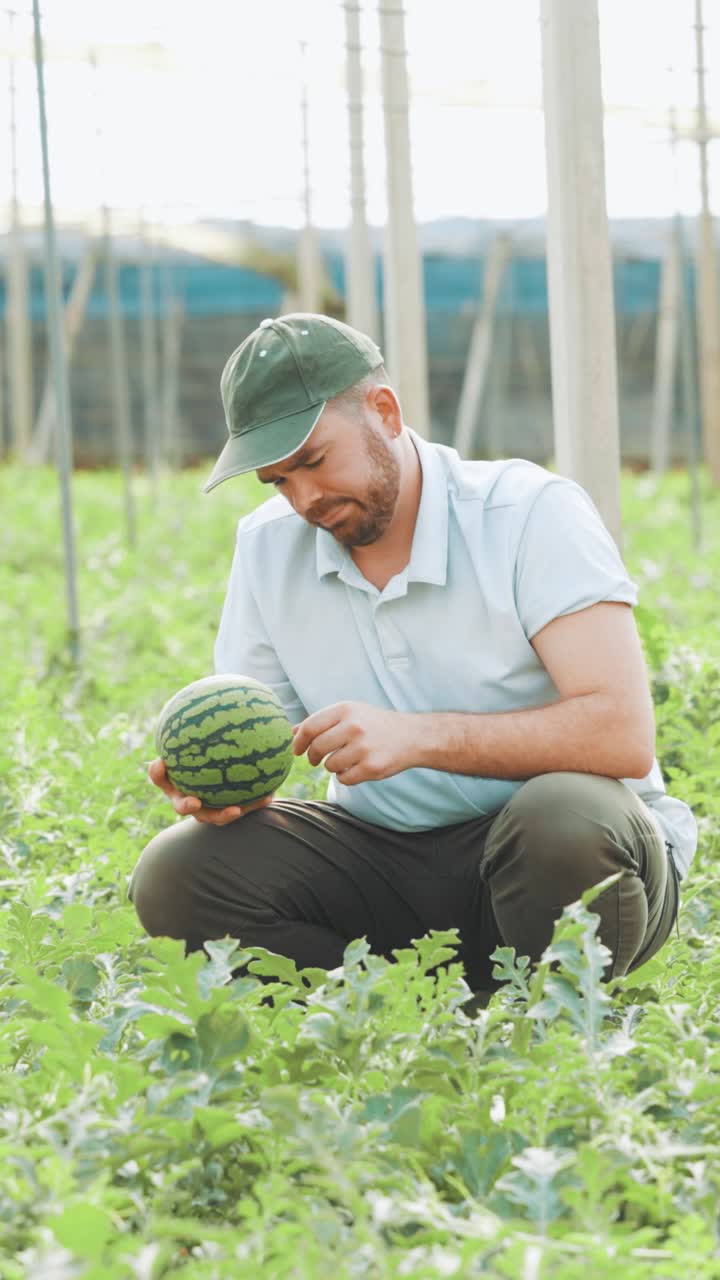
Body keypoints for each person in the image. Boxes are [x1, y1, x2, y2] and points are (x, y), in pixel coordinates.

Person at [129, 312, 697, 993]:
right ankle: (406, 1019)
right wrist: (227, 796)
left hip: (558, 856)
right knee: (177, 874)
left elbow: (621, 735)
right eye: (277, 481)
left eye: (313, 461)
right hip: (390, 864)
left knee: (563, 822)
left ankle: (545, 1013)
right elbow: (263, 734)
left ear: (385, 412)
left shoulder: (529, 514)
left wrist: (421, 738)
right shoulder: (267, 548)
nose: (303, 498)